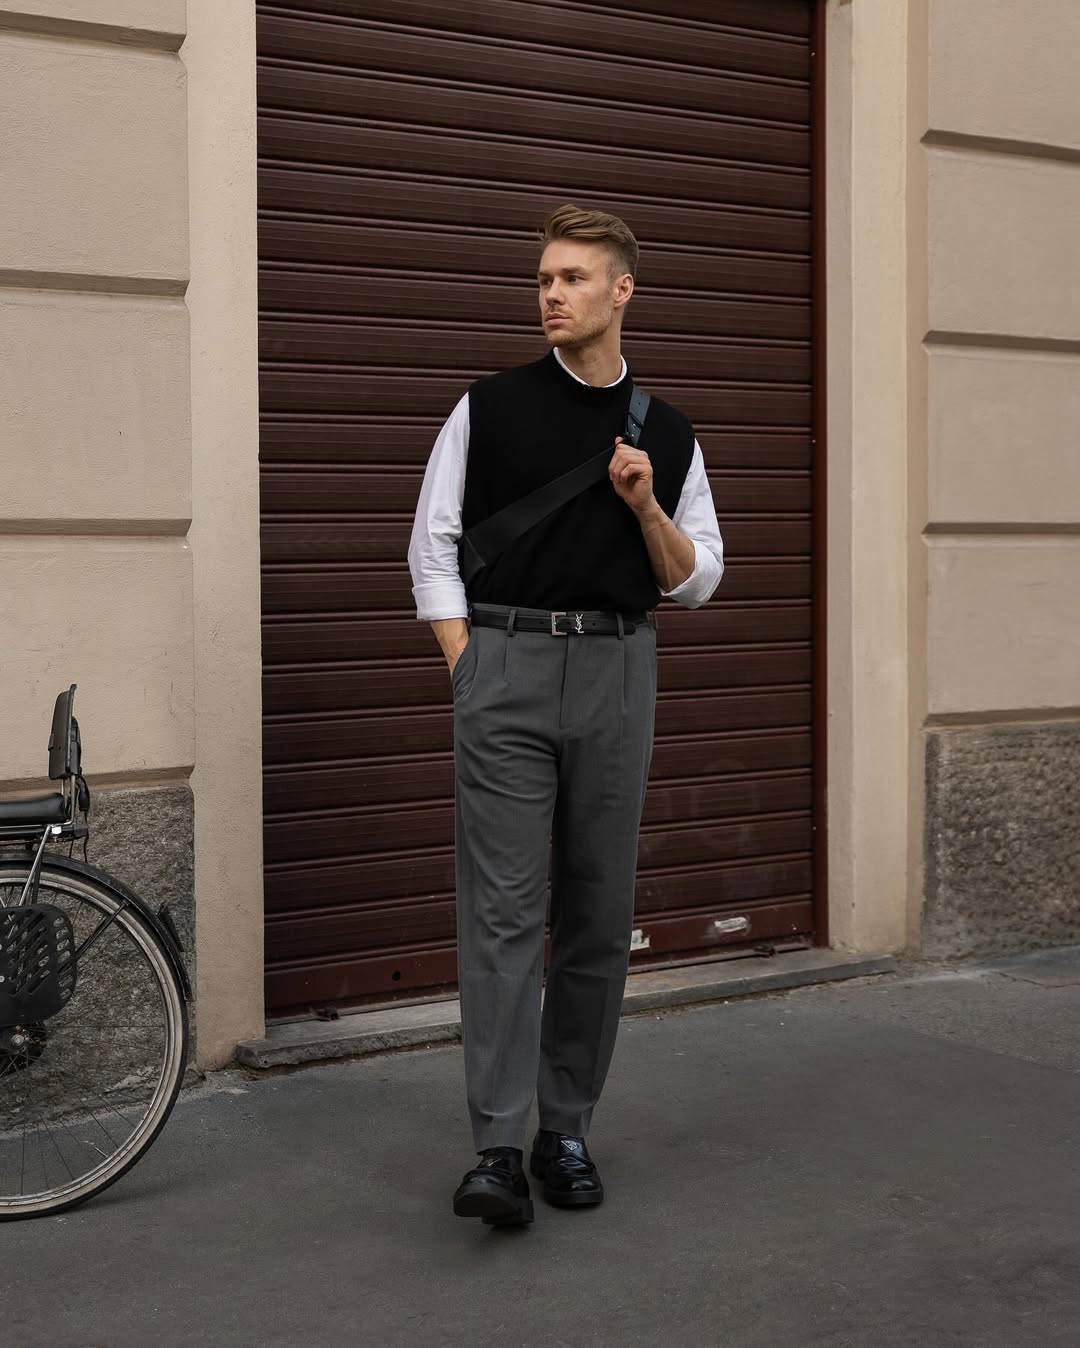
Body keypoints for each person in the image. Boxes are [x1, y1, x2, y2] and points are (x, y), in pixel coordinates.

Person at [408, 204, 724, 1227]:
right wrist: (470, 667)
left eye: (573, 278)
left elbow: (697, 581)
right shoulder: (488, 407)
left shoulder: (669, 434)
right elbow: (434, 544)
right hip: (503, 665)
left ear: (621, 290)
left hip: (618, 672)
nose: (551, 293)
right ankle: (499, 1147)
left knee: (596, 911)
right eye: (544, 277)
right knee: (501, 914)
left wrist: (644, 506)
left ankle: (567, 1128)